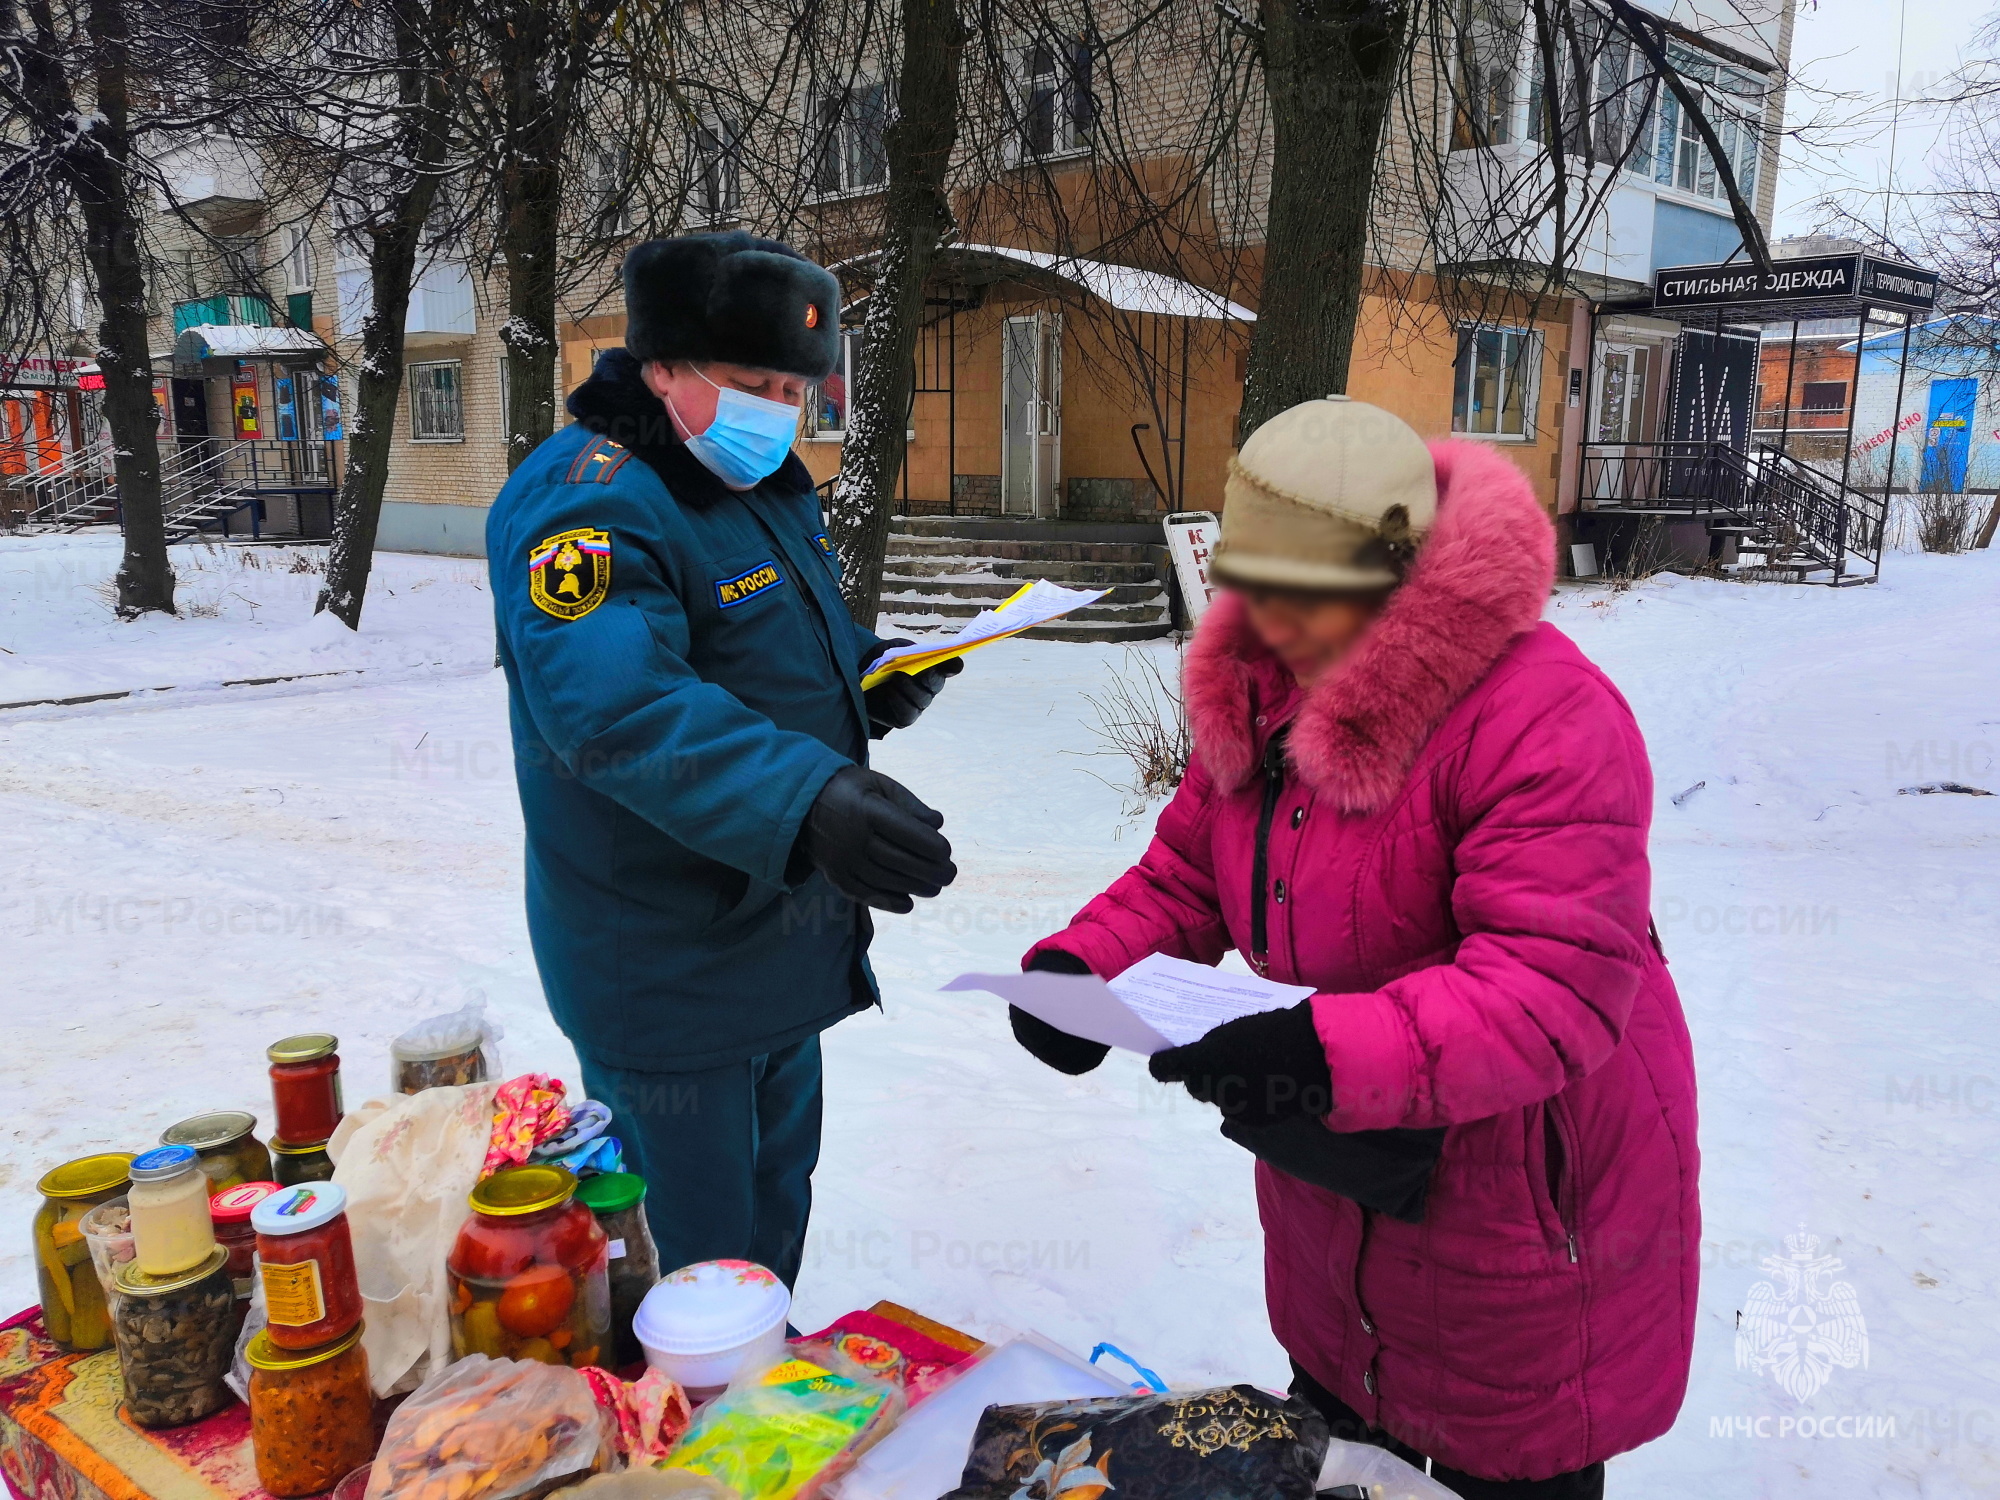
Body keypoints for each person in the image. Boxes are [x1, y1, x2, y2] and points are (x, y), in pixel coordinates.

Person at [1012, 397, 1699, 1498]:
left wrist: (1318, 1053)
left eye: (1298, 592)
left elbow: (1549, 987)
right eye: (1248, 585)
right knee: (1342, 1455)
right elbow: (1190, 869)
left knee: (1498, 1470)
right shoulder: (1259, 686)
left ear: (1392, 566)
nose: (1265, 620)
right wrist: (1080, 967)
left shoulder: (1542, 714)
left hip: (1518, 1201)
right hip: (1338, 1181)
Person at [487, 230, 962, 1287]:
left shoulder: (751, 483)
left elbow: (766, 645)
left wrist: (869, 673)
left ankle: (757, 1407)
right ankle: (696, 1440)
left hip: (777, 938)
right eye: (752, 383)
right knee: (693, 1270)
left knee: (768, 1222)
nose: (777, 412)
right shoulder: (587, 495)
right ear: (658, 367)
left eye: (794, 389)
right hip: (664, 961)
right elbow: (618, 707)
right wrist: (806, 796)